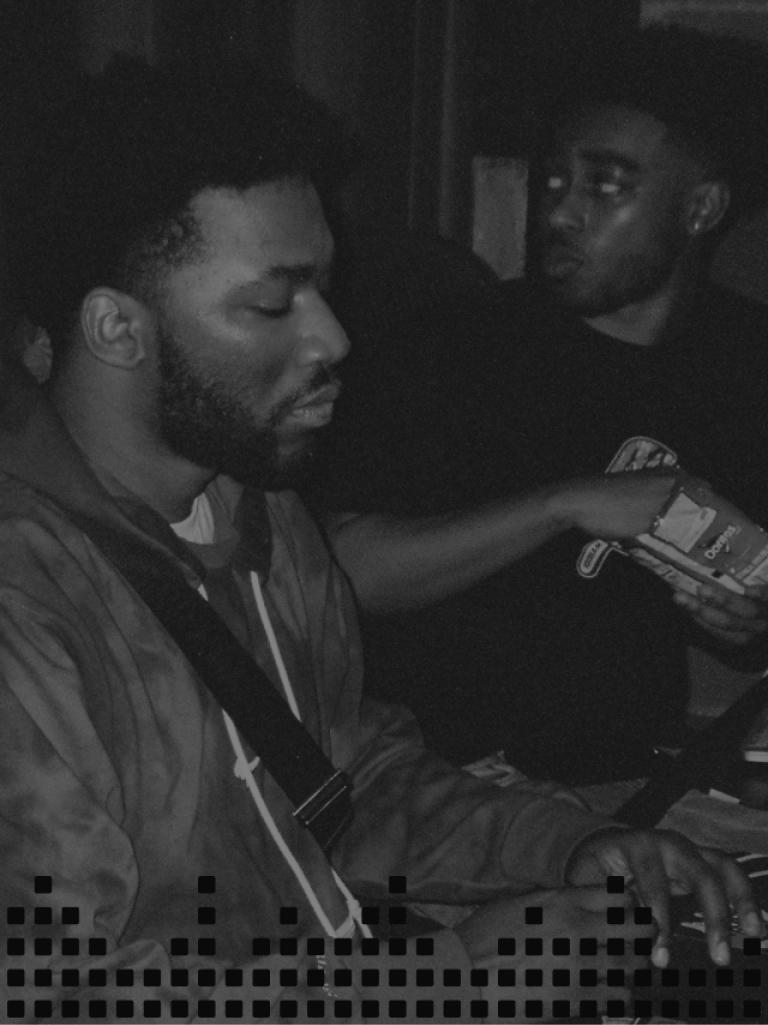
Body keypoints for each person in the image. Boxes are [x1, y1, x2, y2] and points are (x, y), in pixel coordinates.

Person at [0, 53, 761, 1024]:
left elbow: (347, 771)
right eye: (276, 302)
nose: (333, 336)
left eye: (323, 286)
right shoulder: (26, 601)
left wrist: (562, 842)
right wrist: (456, 976)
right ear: (116, 326)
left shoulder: (261, 514)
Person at [311, 23, 768, 787]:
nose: (559, 211)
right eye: (551, 179)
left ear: (702, 208)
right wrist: (568, 503)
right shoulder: (453, 342)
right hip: (429, 781)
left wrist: (750, 621)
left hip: (628, 780)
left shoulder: (746, 361)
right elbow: (350, 570)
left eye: (606, 186)